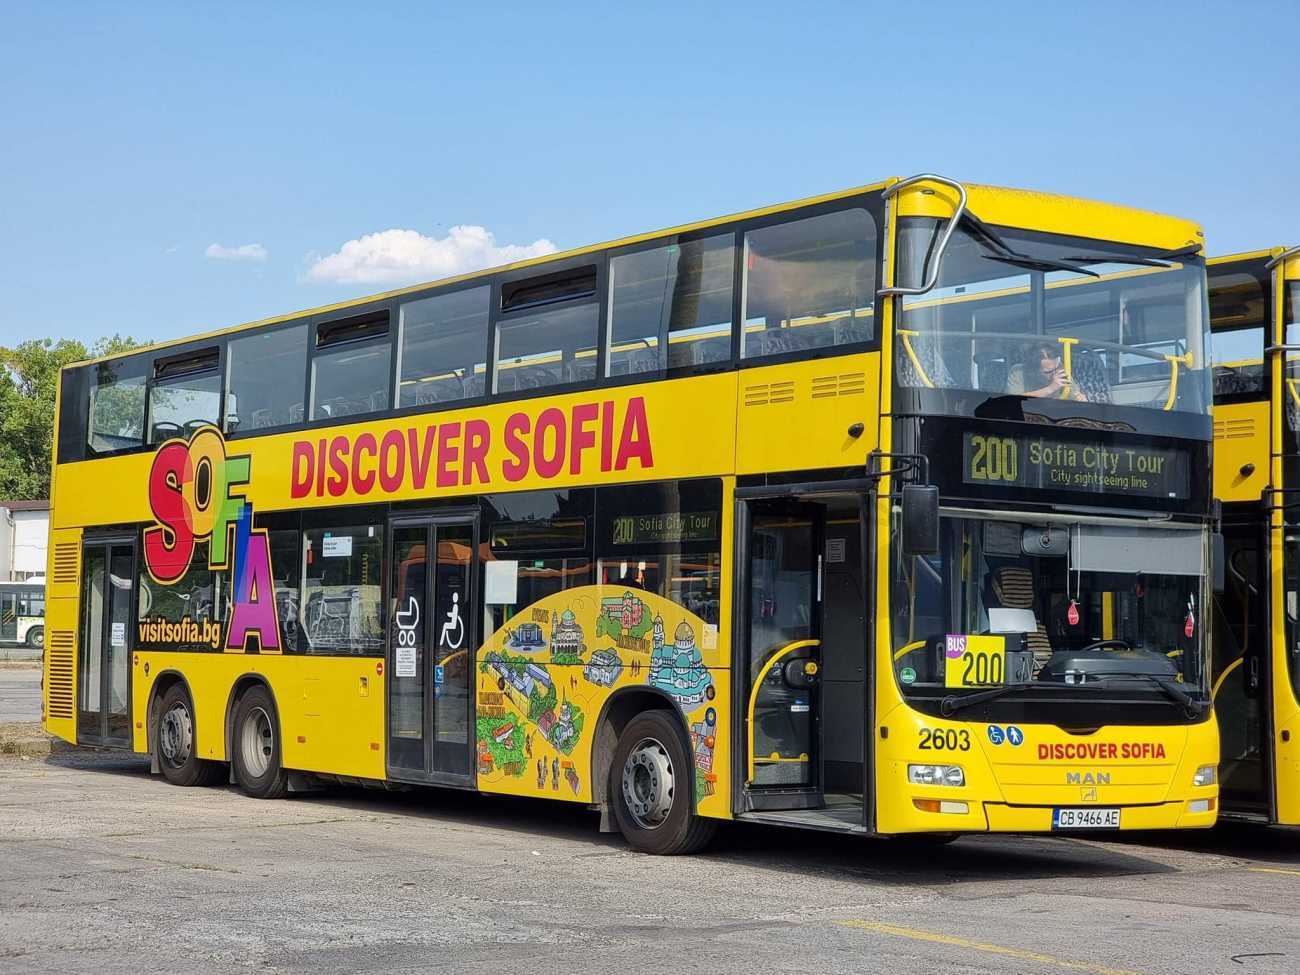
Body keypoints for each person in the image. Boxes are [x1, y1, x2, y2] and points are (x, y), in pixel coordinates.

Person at [1007, 343, 1085, 401]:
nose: (1055, 374)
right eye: (1048, 371)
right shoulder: (1018, 371)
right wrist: (1050, 388)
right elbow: (1013, 401)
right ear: (1033, 370)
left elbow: (1075, 395)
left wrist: (1080, 399)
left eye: (1056, 368)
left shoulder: (1061, 369)